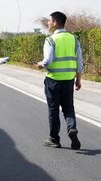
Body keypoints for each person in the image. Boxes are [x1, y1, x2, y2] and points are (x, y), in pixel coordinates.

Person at [35, 11, 83, 150]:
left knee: (53, 109)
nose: (48, 23)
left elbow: (48, 61)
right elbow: (80, 63)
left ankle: (54, 139)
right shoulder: (74, 39)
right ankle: (72, 128)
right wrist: (78, 80)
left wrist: (40, 65)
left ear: (55, 22)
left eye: (50, 21)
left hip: (53, 81)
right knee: (68, 108)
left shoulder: (50, 40)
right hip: (69, 80)